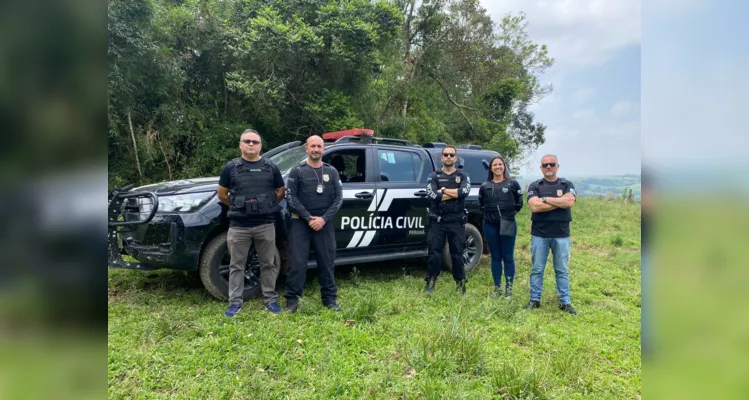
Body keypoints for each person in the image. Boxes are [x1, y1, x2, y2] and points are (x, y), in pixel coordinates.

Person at [217, 129, 285, 317]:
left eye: (255, 142)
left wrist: (266, 206)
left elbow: (280, 191)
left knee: (268, 264)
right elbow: (222, 194)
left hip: (265, 224)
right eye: (247, 141)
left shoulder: (271, 167)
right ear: (240, 145)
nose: (251, 144)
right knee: (237, 265)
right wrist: (241, 207)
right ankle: (235, 303)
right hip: (239, 226)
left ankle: (270, 300)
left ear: (260, 146)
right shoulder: (231, 168)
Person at [284, 135, 343, 313]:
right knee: (297, 264)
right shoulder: (297, 171)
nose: (316, 149)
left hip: (324, 224)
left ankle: (329, 300)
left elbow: (339, 198)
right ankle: (292, 301)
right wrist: (309, 218)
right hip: (301, 224)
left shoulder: (331, 171)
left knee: (327, 263)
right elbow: (291, 198)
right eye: (313, 146)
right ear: (307, 149)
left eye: (319, 146)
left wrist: (323, 219)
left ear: (323, 149)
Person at [524, 154, 578, 315]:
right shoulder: (535, 186)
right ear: (541, 168)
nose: (548, 167)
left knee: (561, 269)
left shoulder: (567, 184)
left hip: (561, 234)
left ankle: (565, 302)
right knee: (537, 269)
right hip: (539, 234)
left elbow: (570, 202)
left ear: (557, 166)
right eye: (545, 165)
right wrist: (559, 202)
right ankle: (535, 300)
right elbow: (535, 207)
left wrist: (545, 199)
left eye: (551, 164)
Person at [424, 145, 471, 295]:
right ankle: (430, 283)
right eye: (446, 155)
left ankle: (460, 283)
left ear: (456, 158)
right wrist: (454, 193)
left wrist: (443, 191)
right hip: (438, 221)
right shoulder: (433, 176)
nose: (449, 157)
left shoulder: (463, 176)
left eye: (451, 155)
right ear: (442, 158)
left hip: (456, 221)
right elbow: (432, 195)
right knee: (434, 253)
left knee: (457, 253)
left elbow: (464, 192)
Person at [478, 156, 523, 298]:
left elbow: (519, 204)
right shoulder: (485, 186)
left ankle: (508, 290)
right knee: (495, 257)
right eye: (495, 165)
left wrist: (508, 216)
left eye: (500, 164)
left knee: (508, 257)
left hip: (508, 223)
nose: (497, 167)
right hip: (489, 224)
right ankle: (497, 289)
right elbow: (481, 204)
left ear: (504, 166)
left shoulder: (513, 184)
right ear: (491, 168)